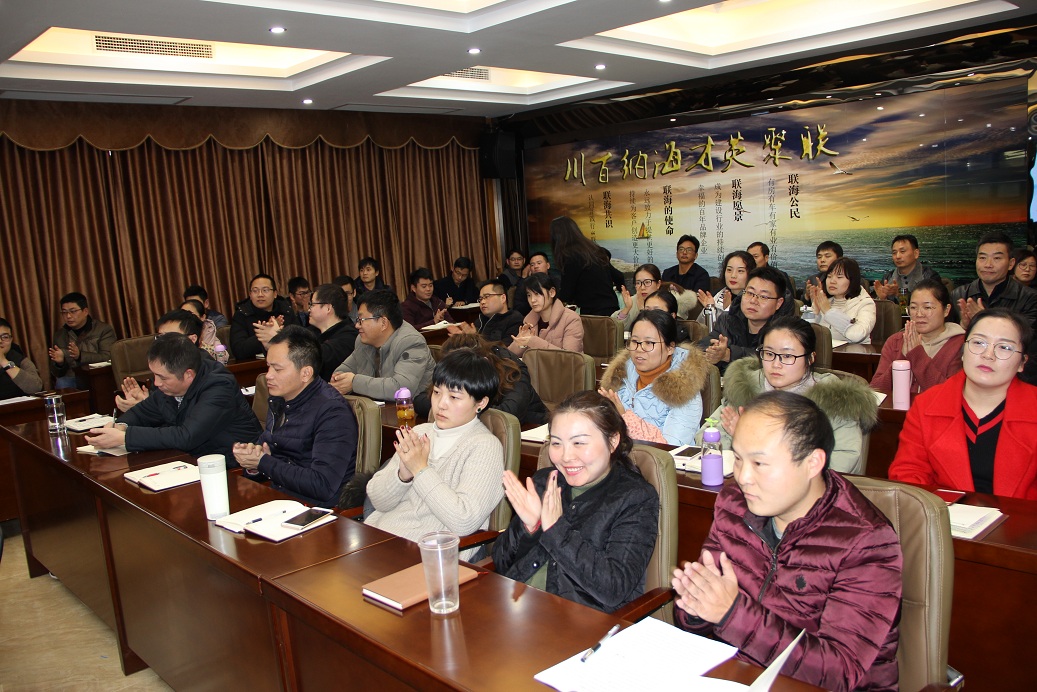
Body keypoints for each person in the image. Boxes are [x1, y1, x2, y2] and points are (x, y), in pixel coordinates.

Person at [674, 391, 901, 691]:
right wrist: (694, 606)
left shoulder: (867, 541)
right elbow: (703, 612)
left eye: (759, 463)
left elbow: (840, 674)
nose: (743, 477)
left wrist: (732, 613)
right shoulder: (734, 504)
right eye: (738, 459)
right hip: (737, 676)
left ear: (812, 463)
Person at [492, 390, 659, 612]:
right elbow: (501, 563)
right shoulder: (545, 482)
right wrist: (530, 527)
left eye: (579, 443)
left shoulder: (635, 498)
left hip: (577, 622)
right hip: (516, 607)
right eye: (556, 443)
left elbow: (613, 588)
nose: (566, 456)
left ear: (612, 441)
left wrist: (556, 529)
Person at [365, 350, 505, 559]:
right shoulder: (420, 432)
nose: (441, 404)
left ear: (481, 403)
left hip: (429, 558)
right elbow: (377, 500)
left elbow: (464, 520)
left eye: (454, 397)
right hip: (379, 541)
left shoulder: (485, 447)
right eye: (437, 392)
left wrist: (420, 470)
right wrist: (402, 476)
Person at [698, 316, 877, 474]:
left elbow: (841, 463)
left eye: (787, 356)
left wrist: (749, 439)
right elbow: (705, 437)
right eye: (769, 354)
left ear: (810, 358)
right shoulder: (747, 387)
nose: (776, 364)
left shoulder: (835, 400)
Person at [889, 308, 1037, 499]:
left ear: (1022, 363)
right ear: (963, 351)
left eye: (1004, 347)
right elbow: (908, 472)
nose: (988, 355)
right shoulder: (926, 405)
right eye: (978, 343)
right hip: (945, 514)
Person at [233, 327, 357, 507]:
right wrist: (253, 464)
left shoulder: (332, 412)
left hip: (316, 509)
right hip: (280, 497)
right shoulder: (279, 400)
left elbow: (322, 485)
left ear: (305, 373)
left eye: (277, 369)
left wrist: (263, 463)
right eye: (268, 366)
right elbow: (269, 461)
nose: (268, 376)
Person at [85, 333, 262, 460]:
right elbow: (142, 412)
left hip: (232, 466)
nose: (156, 383)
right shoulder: (169, 387)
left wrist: (125, 437)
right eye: (154, 375)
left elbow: (187, 436)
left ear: (188, 375)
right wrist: (120, 426)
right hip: (191, 461)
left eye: (162, 378)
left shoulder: (219, 387)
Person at [599, 310, 707, 445]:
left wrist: (624, 419)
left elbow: (670, 447)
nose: (639, 349)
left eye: (649, 343)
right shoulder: (619, 378)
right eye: (635, 341)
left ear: (670, 348)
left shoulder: (684, 391)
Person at [415, 332, 548, 425]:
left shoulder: (512, 370)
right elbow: (420, 400)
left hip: (529, 429)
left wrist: (461, 410)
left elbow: (509, 413)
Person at [331, 290, 436, 401]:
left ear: (383, 323)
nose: (357, 325)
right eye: (358, 320)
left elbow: (401, 388)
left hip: (412, 408)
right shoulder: (363, 341)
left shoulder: (411, 342)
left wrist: (354, 383)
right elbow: (345, 369)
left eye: (361, 320)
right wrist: (339, 379)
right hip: (381, 407)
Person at [871, 279, 965, 393]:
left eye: (927, 307)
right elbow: (875, 391)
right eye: (913, 307)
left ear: (946, 310)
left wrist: (917, 355)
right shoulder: (895, 341)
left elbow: (949, 394)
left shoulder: (960, 345)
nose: (919, 314)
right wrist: (902, 359)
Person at [116, 309, 216, 412]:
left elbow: (187, 416)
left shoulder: (206, 370)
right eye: (160, 336)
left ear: (192, 339)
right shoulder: (164, 364)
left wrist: (146, 408)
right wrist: (144, 402)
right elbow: (160, 404)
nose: (163, 342)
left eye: (170, 337)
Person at [699, 266, 793, 374]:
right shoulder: (727, 321)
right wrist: (715, 350)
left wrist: (729, 355)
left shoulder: (786, 332)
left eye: (763, 296)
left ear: (778, 303)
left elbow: (768, 359)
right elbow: (702, 346)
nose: (753, 301)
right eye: (750, 293)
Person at [951, 231, 1037, 329]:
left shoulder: (1030, 298)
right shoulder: (958, 294)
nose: (988, 265)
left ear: (1011, 264)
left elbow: (1028, 335)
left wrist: (985, 321)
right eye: (982, 258)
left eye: (997, 258)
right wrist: (963, 327)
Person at [550, 216, 619, 316]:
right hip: (612, 309)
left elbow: (566, 294)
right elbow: (618, 276)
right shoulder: (594, 250)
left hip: (593, 314)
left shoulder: (570, 257)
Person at [48, 292, 118, 389]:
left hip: (97, 376)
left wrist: (80, 356)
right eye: (64, 312)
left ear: (85, 311)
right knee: (62, 382)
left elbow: (108, 357)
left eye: (73, 311)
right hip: (72, 377)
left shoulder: (103, 330)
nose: (68, 316)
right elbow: (57, 373)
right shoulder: (59, 335)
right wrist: (60, 364)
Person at [229, 273, 300, 360]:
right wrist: (265, 335)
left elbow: (300, 341)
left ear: (275, 294)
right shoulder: (242, 314)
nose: (260, 294)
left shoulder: (285, 311)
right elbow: (238, 350)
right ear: (250, 295)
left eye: (265, 290)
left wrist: (277, 333)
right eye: (255, 291)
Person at [508, 272, 584, 354]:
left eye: (537, 294)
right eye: (529, 295)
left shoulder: (571, 319)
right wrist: (521, 343)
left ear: (552, 293)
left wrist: (533, 341)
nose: (532, 300)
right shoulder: (529, 321)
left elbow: (570, 357)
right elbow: (509, 356)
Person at [807, 257, 876, 344]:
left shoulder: (865, 303)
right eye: (829, 276)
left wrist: (829, 311)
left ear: (852, 280)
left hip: (854, 351)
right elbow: (805, 335)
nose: (832, 281)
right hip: (825, 350)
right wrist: (815, 312)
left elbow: (859, 335)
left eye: (839, 277)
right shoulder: (826, 301)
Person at [615, 264, 696, 329]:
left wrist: (643, 311)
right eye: (638, 283)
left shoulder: (669, 301)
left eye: (647, 282)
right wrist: (626, 309)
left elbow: (664, 330)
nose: (642, 287)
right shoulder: (633, 300)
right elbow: (618, 329)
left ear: (658, 284)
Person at [307, 283, 359, 381]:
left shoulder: (349, 336)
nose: (309, 309)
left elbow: (317, 357)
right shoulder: (311, 332)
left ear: (328, 308)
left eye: (312, 304)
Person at [446, 279, 523, 344]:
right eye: (480, 299)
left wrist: (475, 339)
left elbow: (504, 351)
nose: (482, 302)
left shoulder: (514, 320)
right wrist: (462, 341)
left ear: (503, 298)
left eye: (487, 297)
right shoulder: (480, 321)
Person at [872, 234, 941, 302]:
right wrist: (882, 299)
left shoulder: (929, 276)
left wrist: (899, 294)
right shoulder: (888, 278)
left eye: (902, 251)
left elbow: (930, 303)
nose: (898, 256)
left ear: (916, 253)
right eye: (894, 253)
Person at [696, 251, 755, 320]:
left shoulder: (754, 300)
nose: (733, 275)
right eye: (729, 270)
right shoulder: (717, 294)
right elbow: (701, 325)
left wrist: (728, 309)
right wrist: (710, 310)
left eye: (740, 271)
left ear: (750, 273)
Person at [0, 317, 44, 399]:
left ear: (11, 339)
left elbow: (36, 388)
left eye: (5, 337)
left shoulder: (21, 360)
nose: (0, 341)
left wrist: (4, 362)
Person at [512, 251, 562, 316]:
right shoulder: (525, 283)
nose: (535, 266)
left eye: (539, 263)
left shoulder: (556, 281)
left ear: (548, 265)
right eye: (532, 265)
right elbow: (518, 306)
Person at [180, 299, 229, 364]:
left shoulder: (208, 331)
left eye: (191, 315)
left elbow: (223, 357)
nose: (186, 319)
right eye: (183, 315)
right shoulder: (177, 333)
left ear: (203, 317)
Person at [801, 240, 843, 305]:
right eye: (819, 257)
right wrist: (807, 296)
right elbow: (804, 306)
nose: (822, 260)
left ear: (839, 258)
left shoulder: (847, 279)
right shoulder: (813, 280)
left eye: (827, 256)